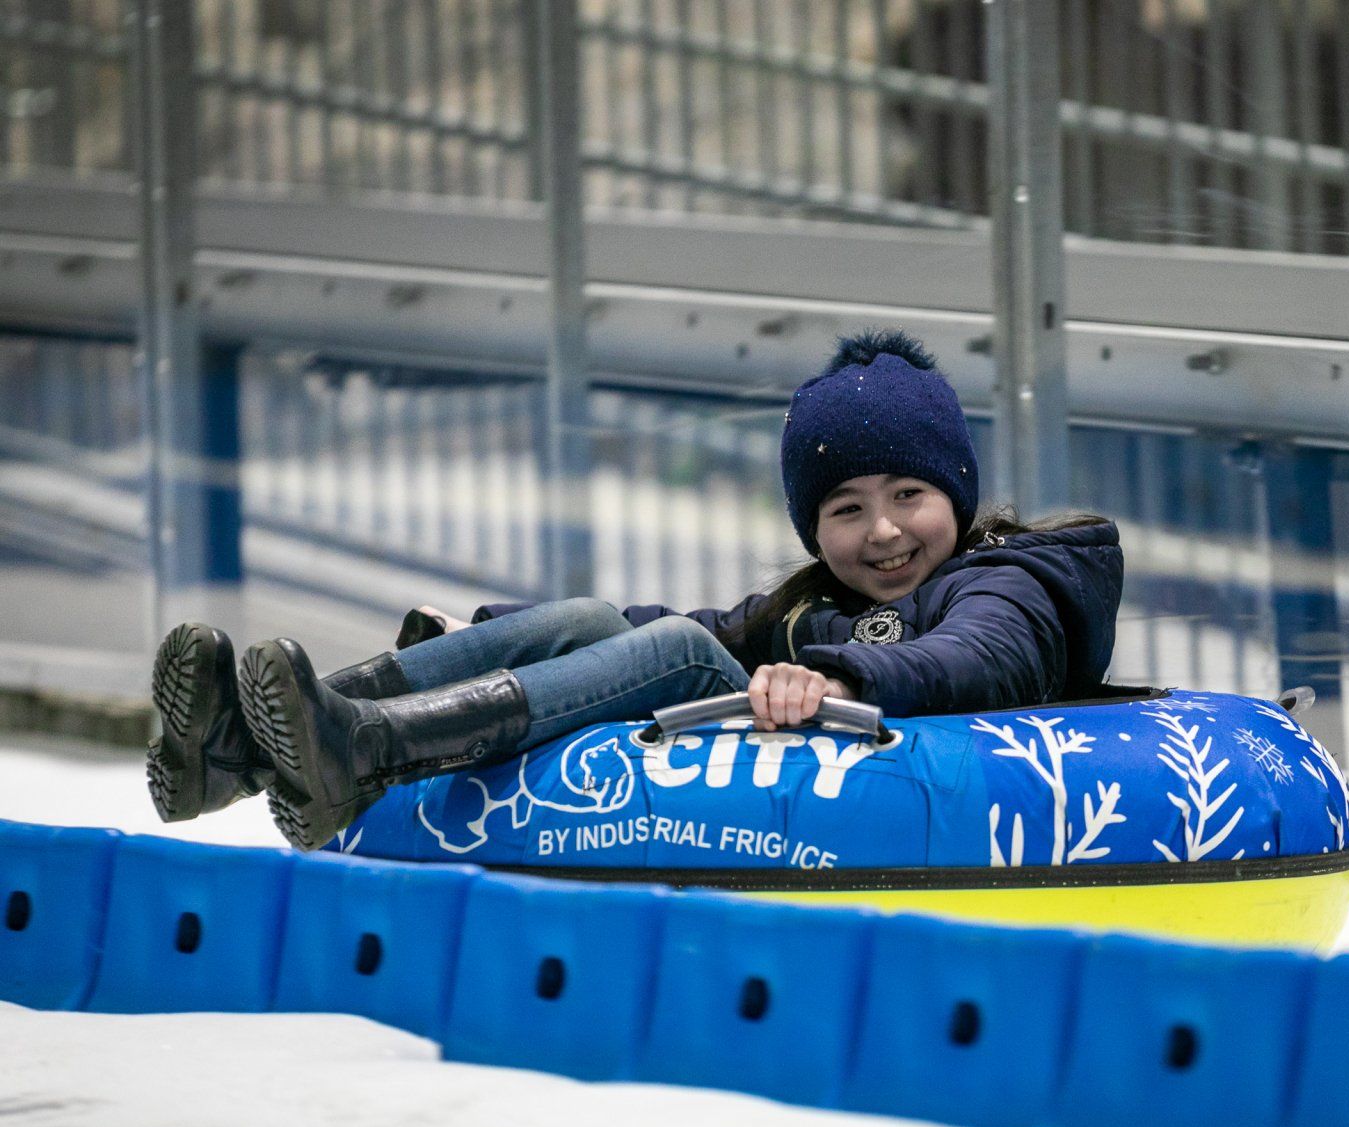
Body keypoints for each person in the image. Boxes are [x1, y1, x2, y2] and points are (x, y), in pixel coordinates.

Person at [147, 330, 1125, 851]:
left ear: (955, 492)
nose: (881, 530)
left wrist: (833, 679)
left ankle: (365, 749)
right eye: (846, 508)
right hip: (823, 738)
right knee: (595, 620)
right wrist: (487, 629)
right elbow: (685, 629)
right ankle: (237, 751)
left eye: (909, 495)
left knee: (678, 659)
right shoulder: (811, 605)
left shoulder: (1010, 578)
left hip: (953, 792)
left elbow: (977, 656)